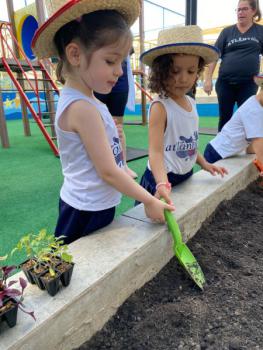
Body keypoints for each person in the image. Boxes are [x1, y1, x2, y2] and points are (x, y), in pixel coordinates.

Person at [31, 0, 175, 244]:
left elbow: (106, 157)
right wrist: (149, 200)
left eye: (122, 62)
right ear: (75, 54)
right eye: (110, 61)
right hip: (84, 210)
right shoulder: (81, 107)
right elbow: (107, 171)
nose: (119, 71)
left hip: (96, 204)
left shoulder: (91, 100)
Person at [137, 25, 228, 205]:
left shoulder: (192, 104)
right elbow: (155, 152)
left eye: (191, 71)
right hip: (161, 181)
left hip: (185, 176)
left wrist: (205, 164)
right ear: (161, 71)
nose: (184, 78)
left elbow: (190, 146)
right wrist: (162, 183)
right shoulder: (160, 107)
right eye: (175, 71)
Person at [203, 0, 263, 131]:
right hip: (225, 83)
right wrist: (207, 79)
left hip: (248, 84)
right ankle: (221, 149)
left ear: (253, 11)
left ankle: (249, 147)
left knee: (247, 118)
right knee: (225, 117)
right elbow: (214, 56)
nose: (240, 12)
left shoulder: (260, 31)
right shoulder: (227, 32)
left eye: (244, 9)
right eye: (238, 9)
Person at [204, 74, 263, 177]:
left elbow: (252, 145)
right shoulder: (254, 110)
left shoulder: (256, 105)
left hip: (219, 151)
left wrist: (252, 154)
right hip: (216, 153)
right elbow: (258, 142)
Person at [94, 50, 138, 179]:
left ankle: (123, 165)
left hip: (120, 84)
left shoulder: (124, 43)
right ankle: (102, 166)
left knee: (117, 126)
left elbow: (128, 52)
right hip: (100, 81)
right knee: (98, 124)